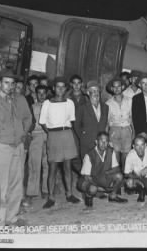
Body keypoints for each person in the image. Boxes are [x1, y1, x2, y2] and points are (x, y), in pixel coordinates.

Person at [0, 69, 33, 226]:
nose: (10, 86)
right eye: (6, 82)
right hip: (0, 146)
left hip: (18, 145)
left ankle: (11, 218)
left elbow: (28, 118)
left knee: (16, 184)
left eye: (13, 83)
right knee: (0, 185)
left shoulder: (19, 99)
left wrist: (22, 133)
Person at [39, 76, 80, 209]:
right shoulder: (47, 103)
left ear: (66, 89)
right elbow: (43, 122)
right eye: (58, 86)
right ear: (53, 88)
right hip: (53, 135)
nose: (60, 89)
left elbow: (72, 121)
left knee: (67, 166)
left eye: (63, 87)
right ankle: (51, 197)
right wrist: (51, 133)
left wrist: (66, 134)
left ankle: (69, 194)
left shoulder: (69, 103)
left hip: (67, 134)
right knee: (53, 167)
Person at [77, 132, 128, 208]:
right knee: (93, 189)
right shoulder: (89, 155)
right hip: (88, 180)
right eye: (101, 141)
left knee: (119, 176)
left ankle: (113, 196)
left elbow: (116, 168)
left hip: (102, 177)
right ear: (96, 142)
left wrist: (106, 173)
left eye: (106, 141)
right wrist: (102, 188)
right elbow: (87, 177)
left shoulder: (111, 151)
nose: (104, 143)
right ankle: (87, 196)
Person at [24, 85, 49, 204]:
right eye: (39, 93)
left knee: (47, 164)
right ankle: (31, 192)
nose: (42, 95)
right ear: (36, 94)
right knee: (34, 165)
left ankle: (46, 190)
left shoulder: (51, 106)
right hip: (36, 136)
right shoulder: (32, 107)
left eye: (44, 93)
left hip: (49, 136)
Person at [105, 76, 133, 171]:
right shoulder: (108, 103)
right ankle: (117, 177)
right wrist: (107, 137)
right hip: (114, 131)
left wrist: (134, 133)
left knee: (126, 155)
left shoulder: (130, 101)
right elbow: (106, 123)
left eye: (119, 86)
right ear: (112, 89)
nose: (117, 89)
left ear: (122, 87)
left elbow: (132, 119)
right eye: (114, 87)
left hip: (127, 130)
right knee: (115, 155)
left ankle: (125, 175)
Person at [79, 81, 109, 159]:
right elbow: (77, 126)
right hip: (87, 143)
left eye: (97, 90)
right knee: (87, 167)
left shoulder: (105, 107)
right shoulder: (82, 108)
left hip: (101, 143)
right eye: (92, 91)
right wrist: (84, 137)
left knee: (100, 167)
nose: (95, 93)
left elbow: (106, 124)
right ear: (88, 93)